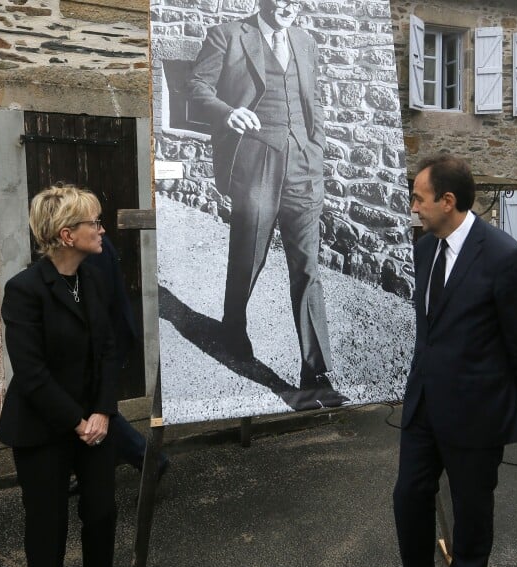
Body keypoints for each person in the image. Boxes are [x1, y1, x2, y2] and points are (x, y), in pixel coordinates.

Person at [393, 154, 517, 567]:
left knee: (471, 519)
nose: (413, 207)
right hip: (423, 410)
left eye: (419, 198)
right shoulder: (424, 250)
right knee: (408, 498)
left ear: (447, 200)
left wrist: (497, 401)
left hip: (476, 418)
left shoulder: (504, 257)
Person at [187, 0, 344, 405]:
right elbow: (195, 87)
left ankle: (316, 373)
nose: (288, 8)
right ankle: (233, 326)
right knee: (248, 255)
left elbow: (314, 101)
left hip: (303, 166)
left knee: (307, 267)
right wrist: (227, 112)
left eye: (296, 2)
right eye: (281, 1)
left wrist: (317, 147)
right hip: (255, 160)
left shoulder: (306, 42)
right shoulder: (228, 35)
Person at [0, 185, 118, 567]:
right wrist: (78, 423)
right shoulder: (24, 290)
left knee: (101, 514)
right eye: (94, 223)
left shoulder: (94, 281)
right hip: (43, 428)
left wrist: (101, 411)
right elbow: (31, 373)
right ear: (67, 235)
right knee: (48, 528)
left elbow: (108, 352)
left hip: (94, 425)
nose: (101, 230)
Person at [86, 235, 169, 479]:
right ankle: (94, 470)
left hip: (109, 335)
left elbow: (100, 302)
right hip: (108, 333)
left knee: (97, 404)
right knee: (93, 402)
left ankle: (148, 459)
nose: (98, 230)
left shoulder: (93, 246)